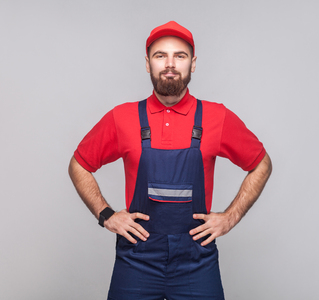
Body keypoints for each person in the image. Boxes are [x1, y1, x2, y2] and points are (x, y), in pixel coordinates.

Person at [69, 21, 272, 300]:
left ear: (193, 63)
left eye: (180, 55)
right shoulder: (122, 117)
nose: (170, 64)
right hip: (137, 259)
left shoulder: (217, 117)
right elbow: (79, 164)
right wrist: (106, 215)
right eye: (160, 55)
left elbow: (261, 164)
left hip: (196, 261)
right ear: (148, 64)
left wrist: (230, 217)